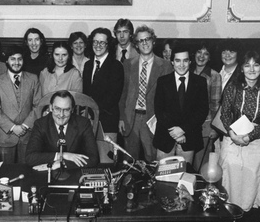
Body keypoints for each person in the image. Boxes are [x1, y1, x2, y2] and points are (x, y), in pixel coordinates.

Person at [218, 51, 260, 213]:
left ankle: (242, 216)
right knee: (230, 179)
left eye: (256, 65)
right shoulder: (233, 87)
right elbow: (225, 114)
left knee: (250, 181)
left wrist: (249, 137)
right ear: (241, 69)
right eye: (247, 65)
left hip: (255, 143)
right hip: (232, 138)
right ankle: (227, 215)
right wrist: (232, 134)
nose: (252, 69)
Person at [119, 25, 173, 162]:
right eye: (140, 41)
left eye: (147, 39)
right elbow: (123, 93)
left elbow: (169, 98)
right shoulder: (128, 64)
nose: (144, 43)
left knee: (152, 159)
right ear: (136, 45)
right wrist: (121, 117)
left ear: (153, 41)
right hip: (131, 118)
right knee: (129, 160)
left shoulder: (165, 66)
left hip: (152, 119)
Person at [153, 45, 209, 165]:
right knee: (162, 177)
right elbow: (159, 110)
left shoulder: (200, 82)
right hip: (165, 138)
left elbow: (202, 111)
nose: (181, 65)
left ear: (190, 61)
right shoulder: (163, 81)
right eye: (178, 60)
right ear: (172, 62)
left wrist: (183, 129)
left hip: (189, 138)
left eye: (185, 60)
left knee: (184, 178)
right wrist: (175, 132)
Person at [0, 45, 41, 164]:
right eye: (13, 59)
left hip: (27, 135)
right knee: (5, 173)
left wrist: (25, 126)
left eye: (20, 59)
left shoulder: (33, 79)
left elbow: (38, 106)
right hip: (5, 136)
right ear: (7, 60)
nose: (17, 62)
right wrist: (13, 128)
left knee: (27, 171)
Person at [25, 90, 99, 169]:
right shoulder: (40, 125)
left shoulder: (83, 124)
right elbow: (30, 158)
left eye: (66, 110)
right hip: (47, 173)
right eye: (57, 109)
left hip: (74, 173)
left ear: (72, 110)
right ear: (51, 108)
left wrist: (62, 164)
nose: (61, 114)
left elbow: (93, 159)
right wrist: (62, 155)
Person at [83, 28, 124, 143]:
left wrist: (93, 111)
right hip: (88, 122)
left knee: (106, 158)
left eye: (102, 42)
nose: (98, 45)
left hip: (107, 122)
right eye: (95, 42)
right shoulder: (88, 65)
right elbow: (85, 93)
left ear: (108, 45)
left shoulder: (116, 66)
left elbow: (113, 97)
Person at [191, 41, 222, 171]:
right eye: (199, 52)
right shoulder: (186, 70)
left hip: (205, 126)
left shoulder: (214, 76)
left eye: (206, 54)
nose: (201, 56)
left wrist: (214, 128)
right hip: (185, 125)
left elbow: (215, 104)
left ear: (210, 57)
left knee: (201, 165)